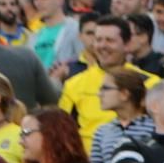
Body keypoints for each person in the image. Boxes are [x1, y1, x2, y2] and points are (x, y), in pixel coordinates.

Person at [57, 16, 157, 149]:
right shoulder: (74, 84)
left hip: (136, 155)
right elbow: (63, 129)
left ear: (127, 45)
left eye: (110, 40)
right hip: (88, 161)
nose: (102, 46)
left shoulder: (149, 82)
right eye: (98, 40)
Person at [88, 66, 154, 163]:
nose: (99, 94)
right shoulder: (102, 131)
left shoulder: (154, 127)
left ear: (124, 94)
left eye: (105, 88)